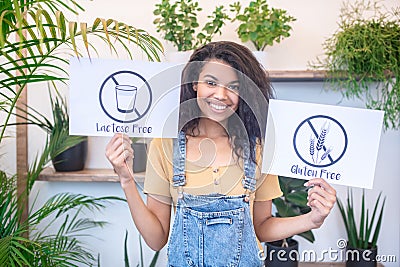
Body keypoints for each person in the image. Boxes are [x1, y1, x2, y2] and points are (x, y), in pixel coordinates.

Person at [106, 41, 336, 266]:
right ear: (195, 83)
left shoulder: (258, 148)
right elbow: (156, 240)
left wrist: (312, 219)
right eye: (211, 82)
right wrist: (126, 180)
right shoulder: (165, 146)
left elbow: (262, 226)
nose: (221, 95)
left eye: (233, 87)